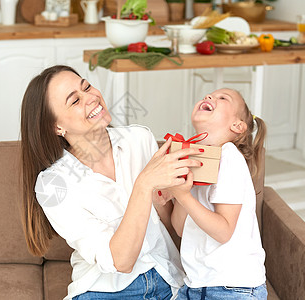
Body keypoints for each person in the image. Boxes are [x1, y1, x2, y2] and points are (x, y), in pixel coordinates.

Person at [20, 65, 203, 300]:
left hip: (167, 280)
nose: (91, 97)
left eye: (87, 87)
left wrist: (173, 194)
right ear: (56, 127)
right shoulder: (53, 186)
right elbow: (120, 261)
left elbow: (169, 226)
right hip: (105, 290)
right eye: (75, 100)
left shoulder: (139, 139)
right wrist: (143, 186)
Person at [168, 88, 267, 299]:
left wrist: (184, 196)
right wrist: (180, 192)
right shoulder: (194, 159)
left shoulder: (230, 157)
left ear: (237, 126)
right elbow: (180, 229)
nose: (209, 97)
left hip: (233, 286)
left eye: (223, 98)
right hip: (196, 285)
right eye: (208, 95)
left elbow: (223, 232)